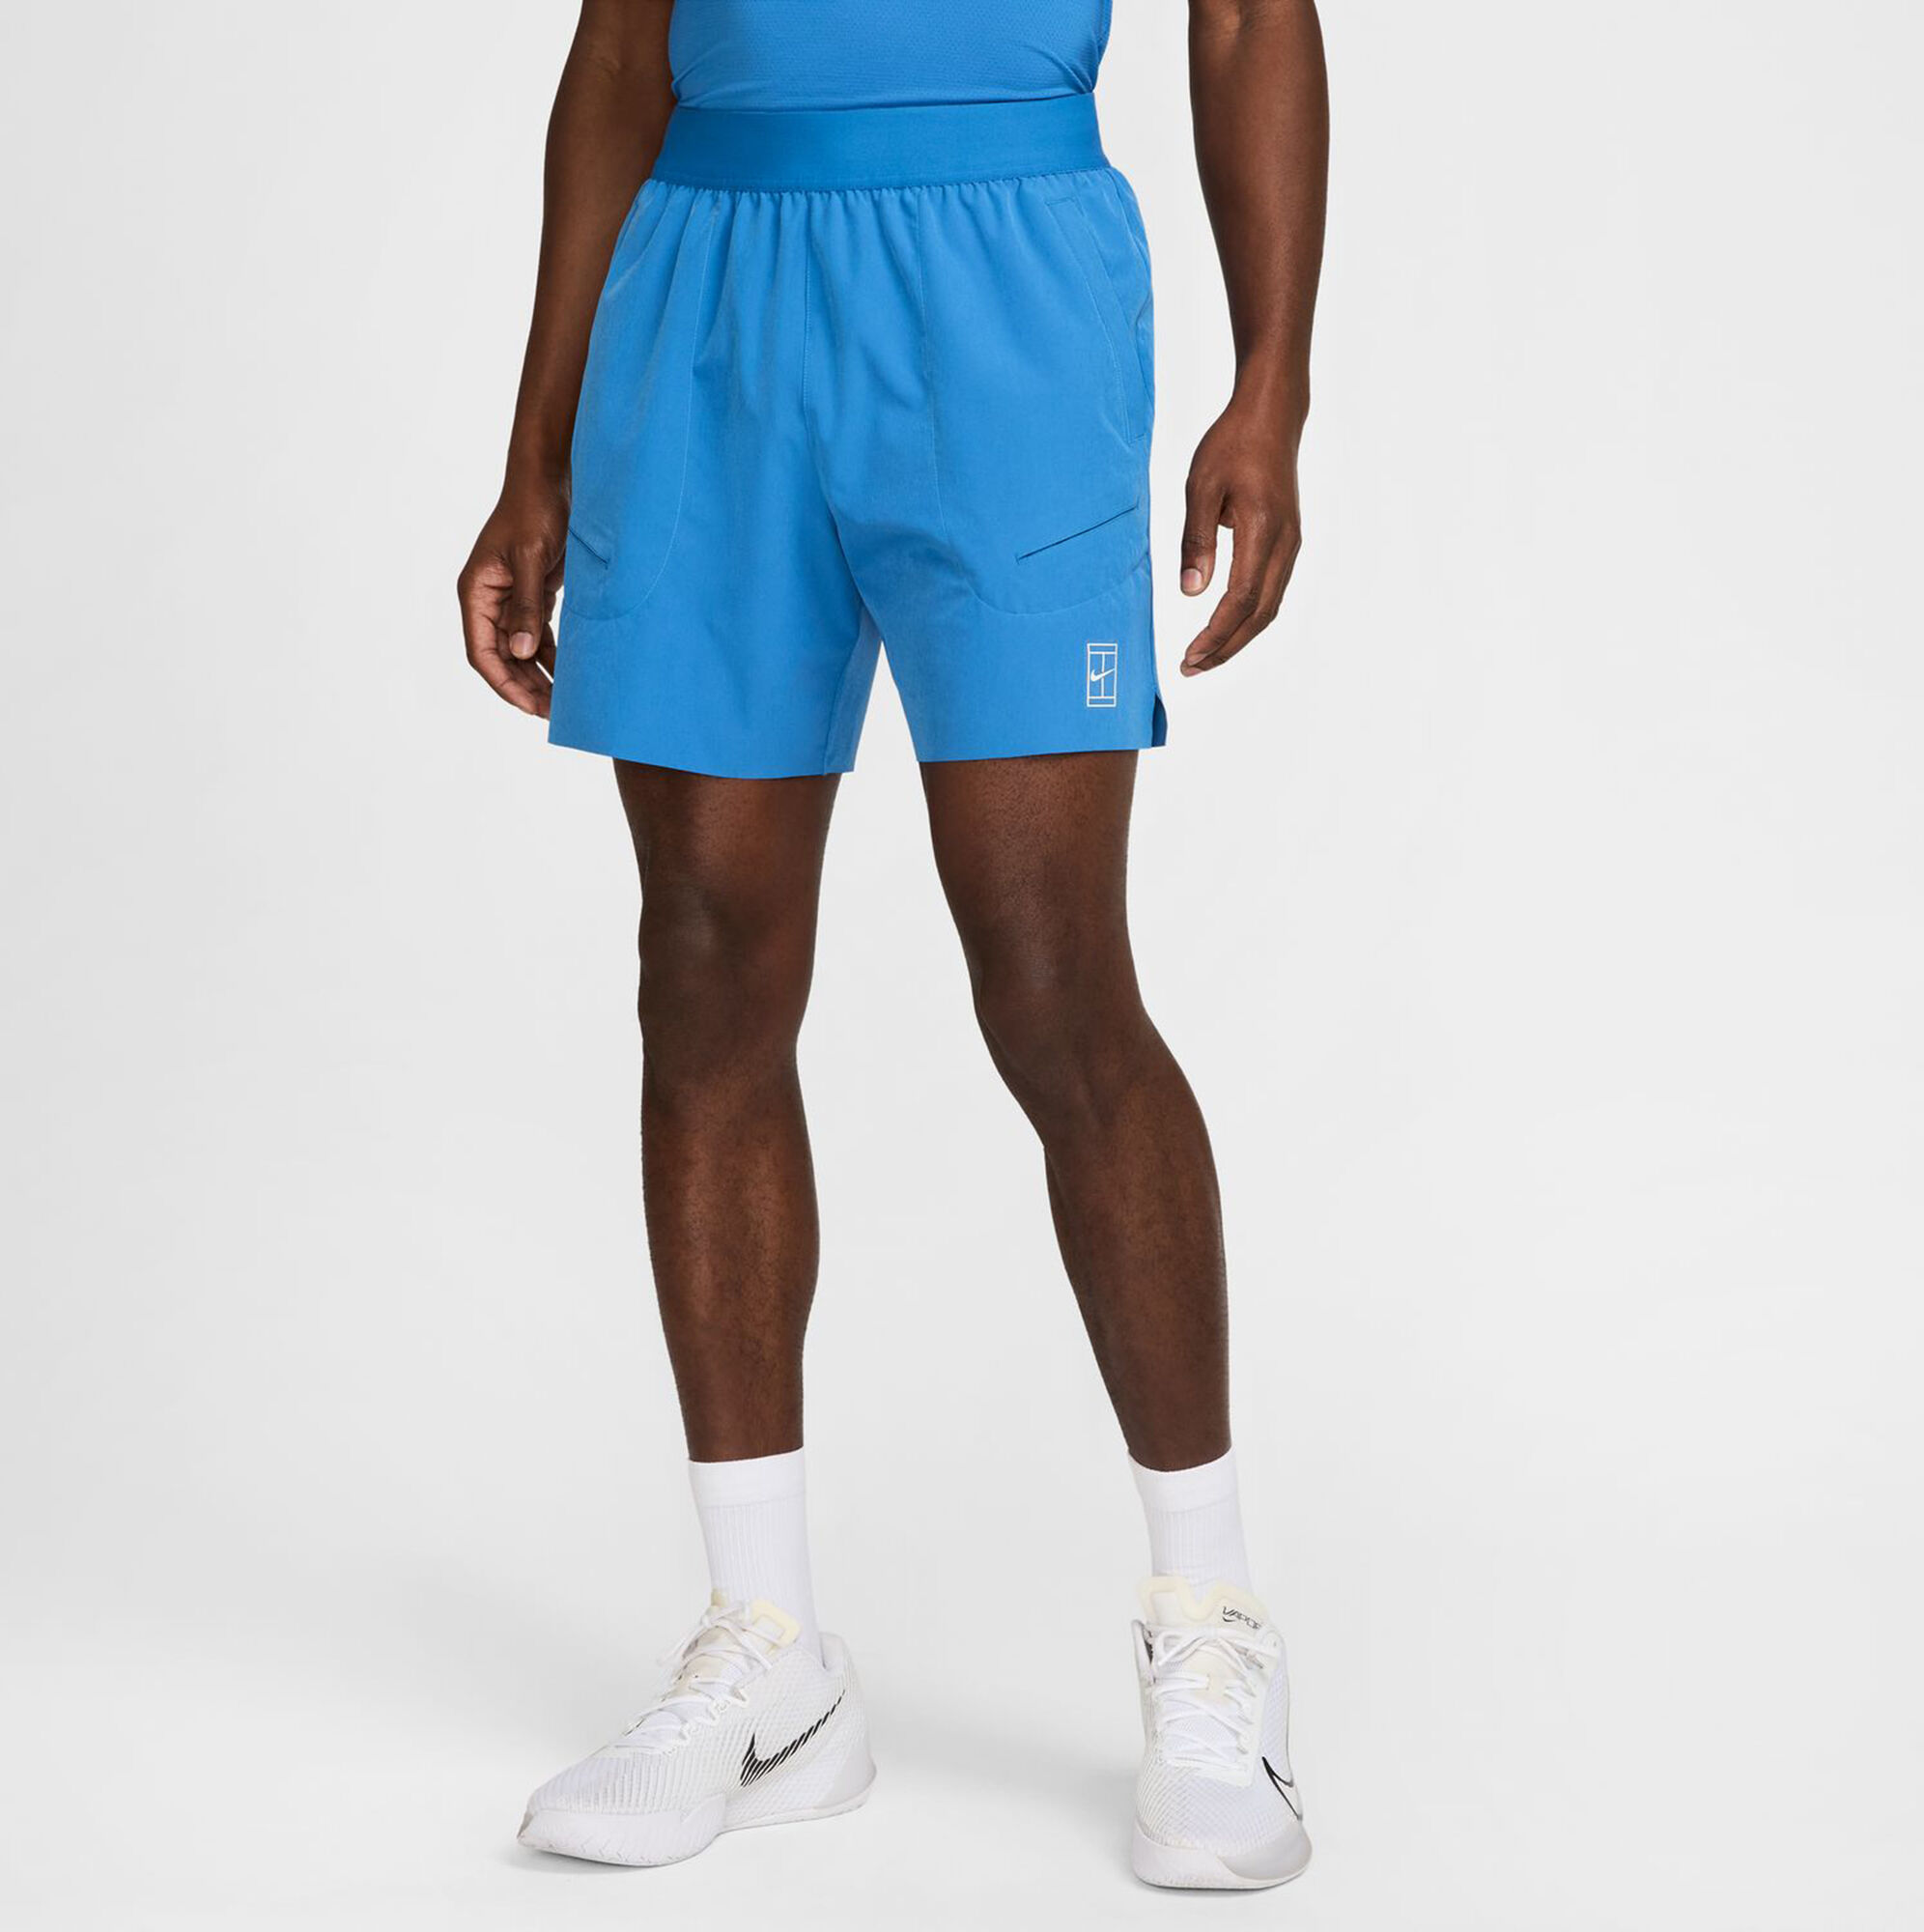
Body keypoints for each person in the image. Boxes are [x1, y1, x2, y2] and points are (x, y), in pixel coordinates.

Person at [458, 0, 1327, 1891]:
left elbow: (1251, 16)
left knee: (1052, 977)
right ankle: (768, 1655)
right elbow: (619, 52)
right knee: (703, 970)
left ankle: (1211, 1626)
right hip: (707, 297)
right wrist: (536, 451)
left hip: (1006, 288)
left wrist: (1271, 382)